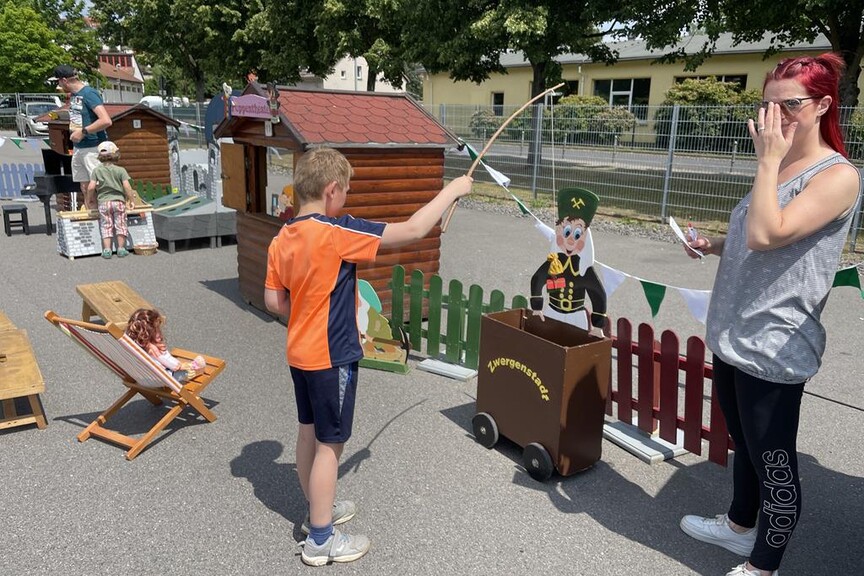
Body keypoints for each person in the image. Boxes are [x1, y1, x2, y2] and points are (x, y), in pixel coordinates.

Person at [679, 53, 862, 576]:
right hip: (734, 331)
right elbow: (750, 235)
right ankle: (739, 526)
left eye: (790, 105)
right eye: (767, 105)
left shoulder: (838, 176)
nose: (775, 117)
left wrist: (766, 160)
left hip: (775, 342)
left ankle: (763, 565)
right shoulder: (778, 165)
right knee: (745, 445)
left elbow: (767, 233)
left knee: (774, 459)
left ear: (823, 105)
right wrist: (712, 244)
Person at [264, 147, 472, 566]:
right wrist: (453, 189)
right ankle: (321, 539)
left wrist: (307, 314)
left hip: (300, 354)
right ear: (331, 190)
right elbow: (414, 229)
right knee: (330, 446)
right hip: (332, 357)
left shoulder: (281, 237)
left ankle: (317, 510)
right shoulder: (338, 231)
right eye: (346, 191)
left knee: (308, 433)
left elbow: (274, 302)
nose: (347, 199)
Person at [50, 65, 112, 208]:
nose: (58, 85)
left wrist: (83, 132)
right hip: (78, 147)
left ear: (64, 80)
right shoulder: (73, 96)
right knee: (85, 187)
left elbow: (106, 120)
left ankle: (105, 215)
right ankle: (92, 214)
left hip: (93, 147)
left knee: (99, 186)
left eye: (58, 81)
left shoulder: (89, 94)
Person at [125, 308, 206, 383]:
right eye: (156, 330)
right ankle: (196, 370)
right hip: (163, 380)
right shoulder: (154, 350)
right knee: (186, 372)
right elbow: (173, 365)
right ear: (148, 334)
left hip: (143, 380)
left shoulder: (133, 346)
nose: (160, 331)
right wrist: (181, 365)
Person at [87, 141, 136, 258]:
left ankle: (107, 250)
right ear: (115, 154)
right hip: (118, 201)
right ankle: (121, 248)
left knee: (106, 225)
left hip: (104, 202)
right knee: (121, 224)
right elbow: (127, 187)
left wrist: (89, 199)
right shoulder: (120, 170)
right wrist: (131, 200)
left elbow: (91, 187)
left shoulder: (97, 170)